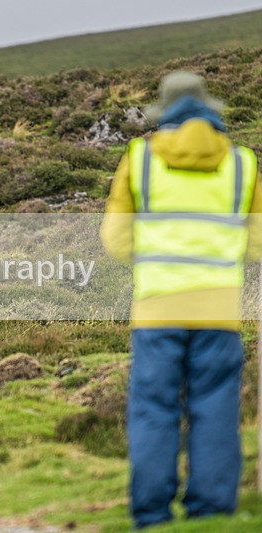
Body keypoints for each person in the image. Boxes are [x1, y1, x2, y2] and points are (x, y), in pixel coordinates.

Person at [100, 70, 262, 529]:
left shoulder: (140, 159)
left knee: (155, 407)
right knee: (215, 408)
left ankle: (152, 513)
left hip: (157, 309)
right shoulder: (242, 164)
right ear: (210, 109)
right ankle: (210, 510)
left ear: (164, 112)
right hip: (219, 313)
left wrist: (152, 258)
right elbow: (257, 243)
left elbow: (115, 239)